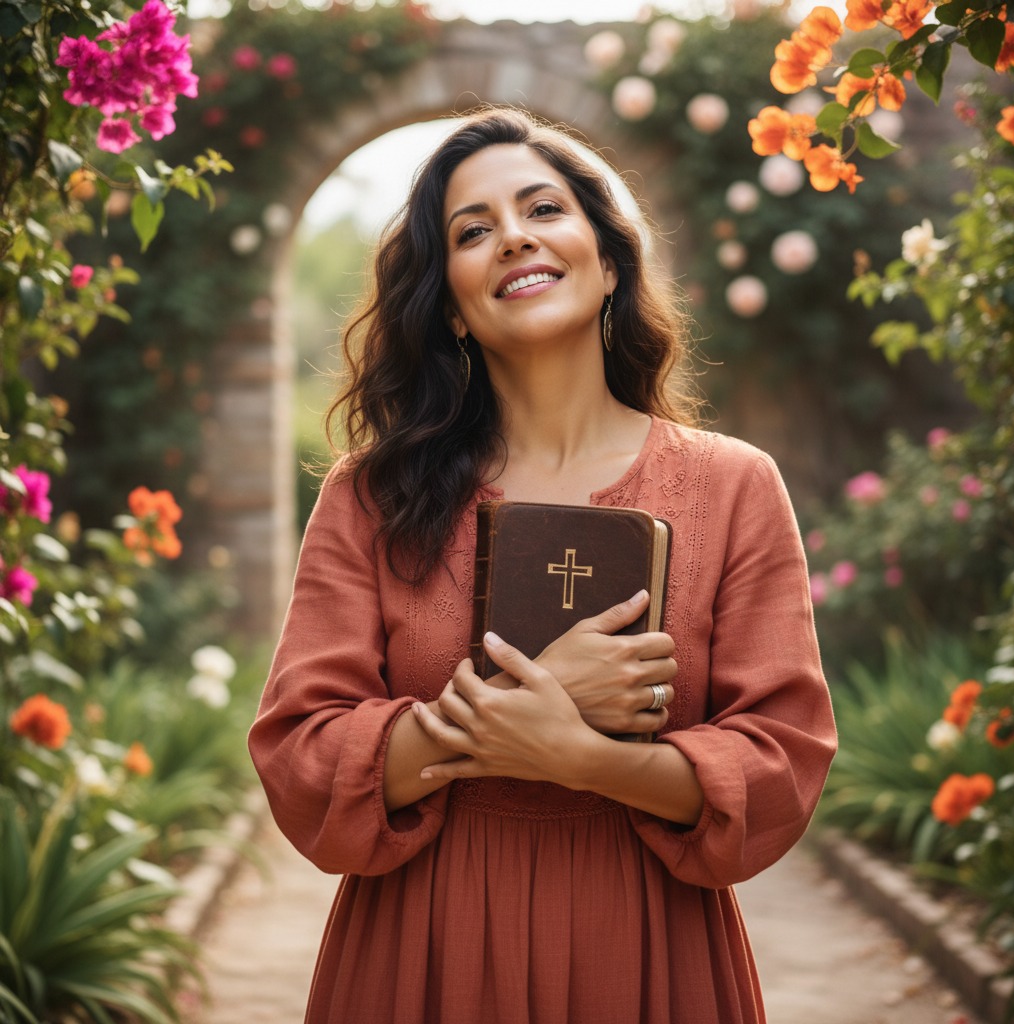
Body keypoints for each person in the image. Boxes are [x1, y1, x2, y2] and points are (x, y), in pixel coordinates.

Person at [249, 106, 837, 1024]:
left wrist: (583, 759)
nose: (513, 236)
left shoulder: (733, 487)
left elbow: (778, 763)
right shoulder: (371, 496)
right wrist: (500, 712)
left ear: (608, 261)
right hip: (423, 946)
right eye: (473, 231)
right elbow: (302, 759)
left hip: (647, 947)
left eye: (543, 209)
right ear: (450, 304)